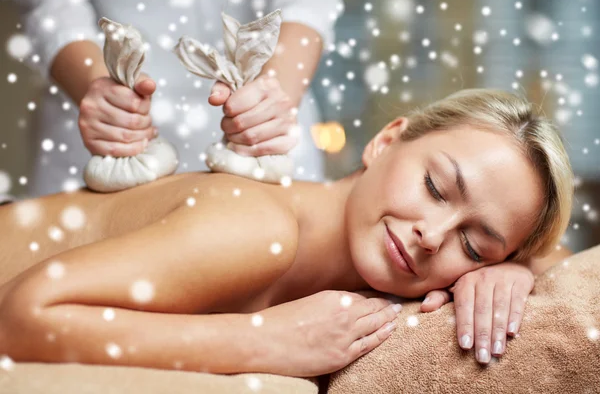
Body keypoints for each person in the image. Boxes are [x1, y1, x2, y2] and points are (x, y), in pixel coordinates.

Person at [0, 89, 574, 376]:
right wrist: (264, 341)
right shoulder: (258, 226)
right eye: (434, 185)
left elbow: (573, 264)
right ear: (385, 141)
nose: (433, 234)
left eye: (473, 244)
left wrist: (515, 271)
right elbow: (22, 317)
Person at [8, 0, 343, 196]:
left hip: (268, 122)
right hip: (101, 131)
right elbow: (49, 3)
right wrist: (97, 88)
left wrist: (276, 91)